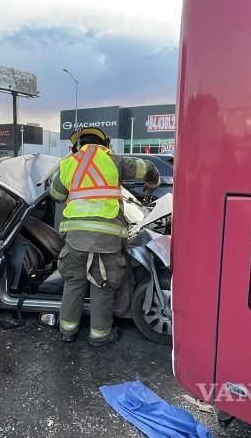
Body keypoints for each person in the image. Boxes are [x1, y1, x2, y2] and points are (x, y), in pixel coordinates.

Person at [49, 127, 160, 346]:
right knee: (102, 286)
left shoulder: (68, 164)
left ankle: (67, 332)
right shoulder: (116, 162)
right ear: (106, 144)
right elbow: (149, 169)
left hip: (76, 240)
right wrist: (152, 185)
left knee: (73, 284)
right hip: (107, 241)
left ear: (76, 147)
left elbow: (56, 195)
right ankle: (99, 336)